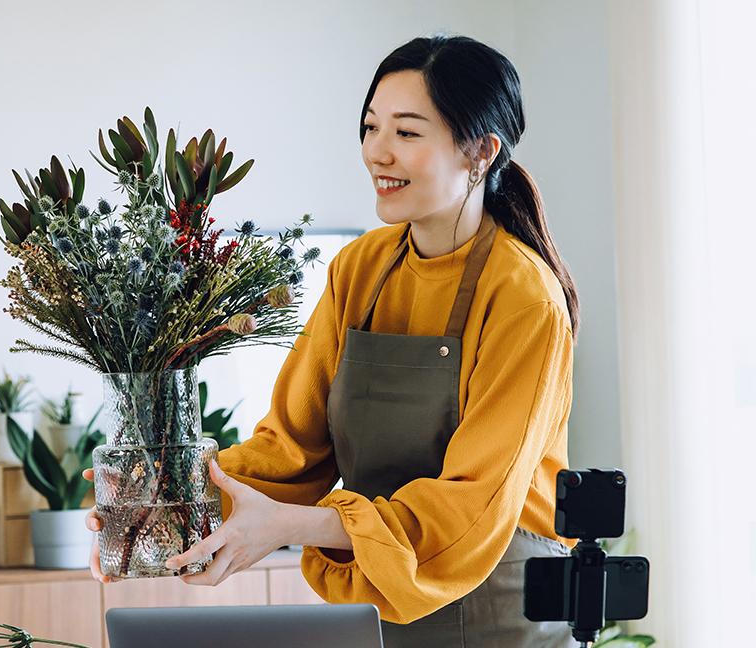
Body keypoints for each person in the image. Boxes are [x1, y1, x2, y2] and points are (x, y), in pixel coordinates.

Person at [86, 33, 579, 646]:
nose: (379, 153)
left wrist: (295, 523)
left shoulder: (523, 297)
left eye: (407, 132)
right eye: (371, 128)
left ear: (481, 150)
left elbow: (469, 508)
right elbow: (290, 447)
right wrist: (163, 502)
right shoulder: (362, 268)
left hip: (497, 604)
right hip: (380, 595)